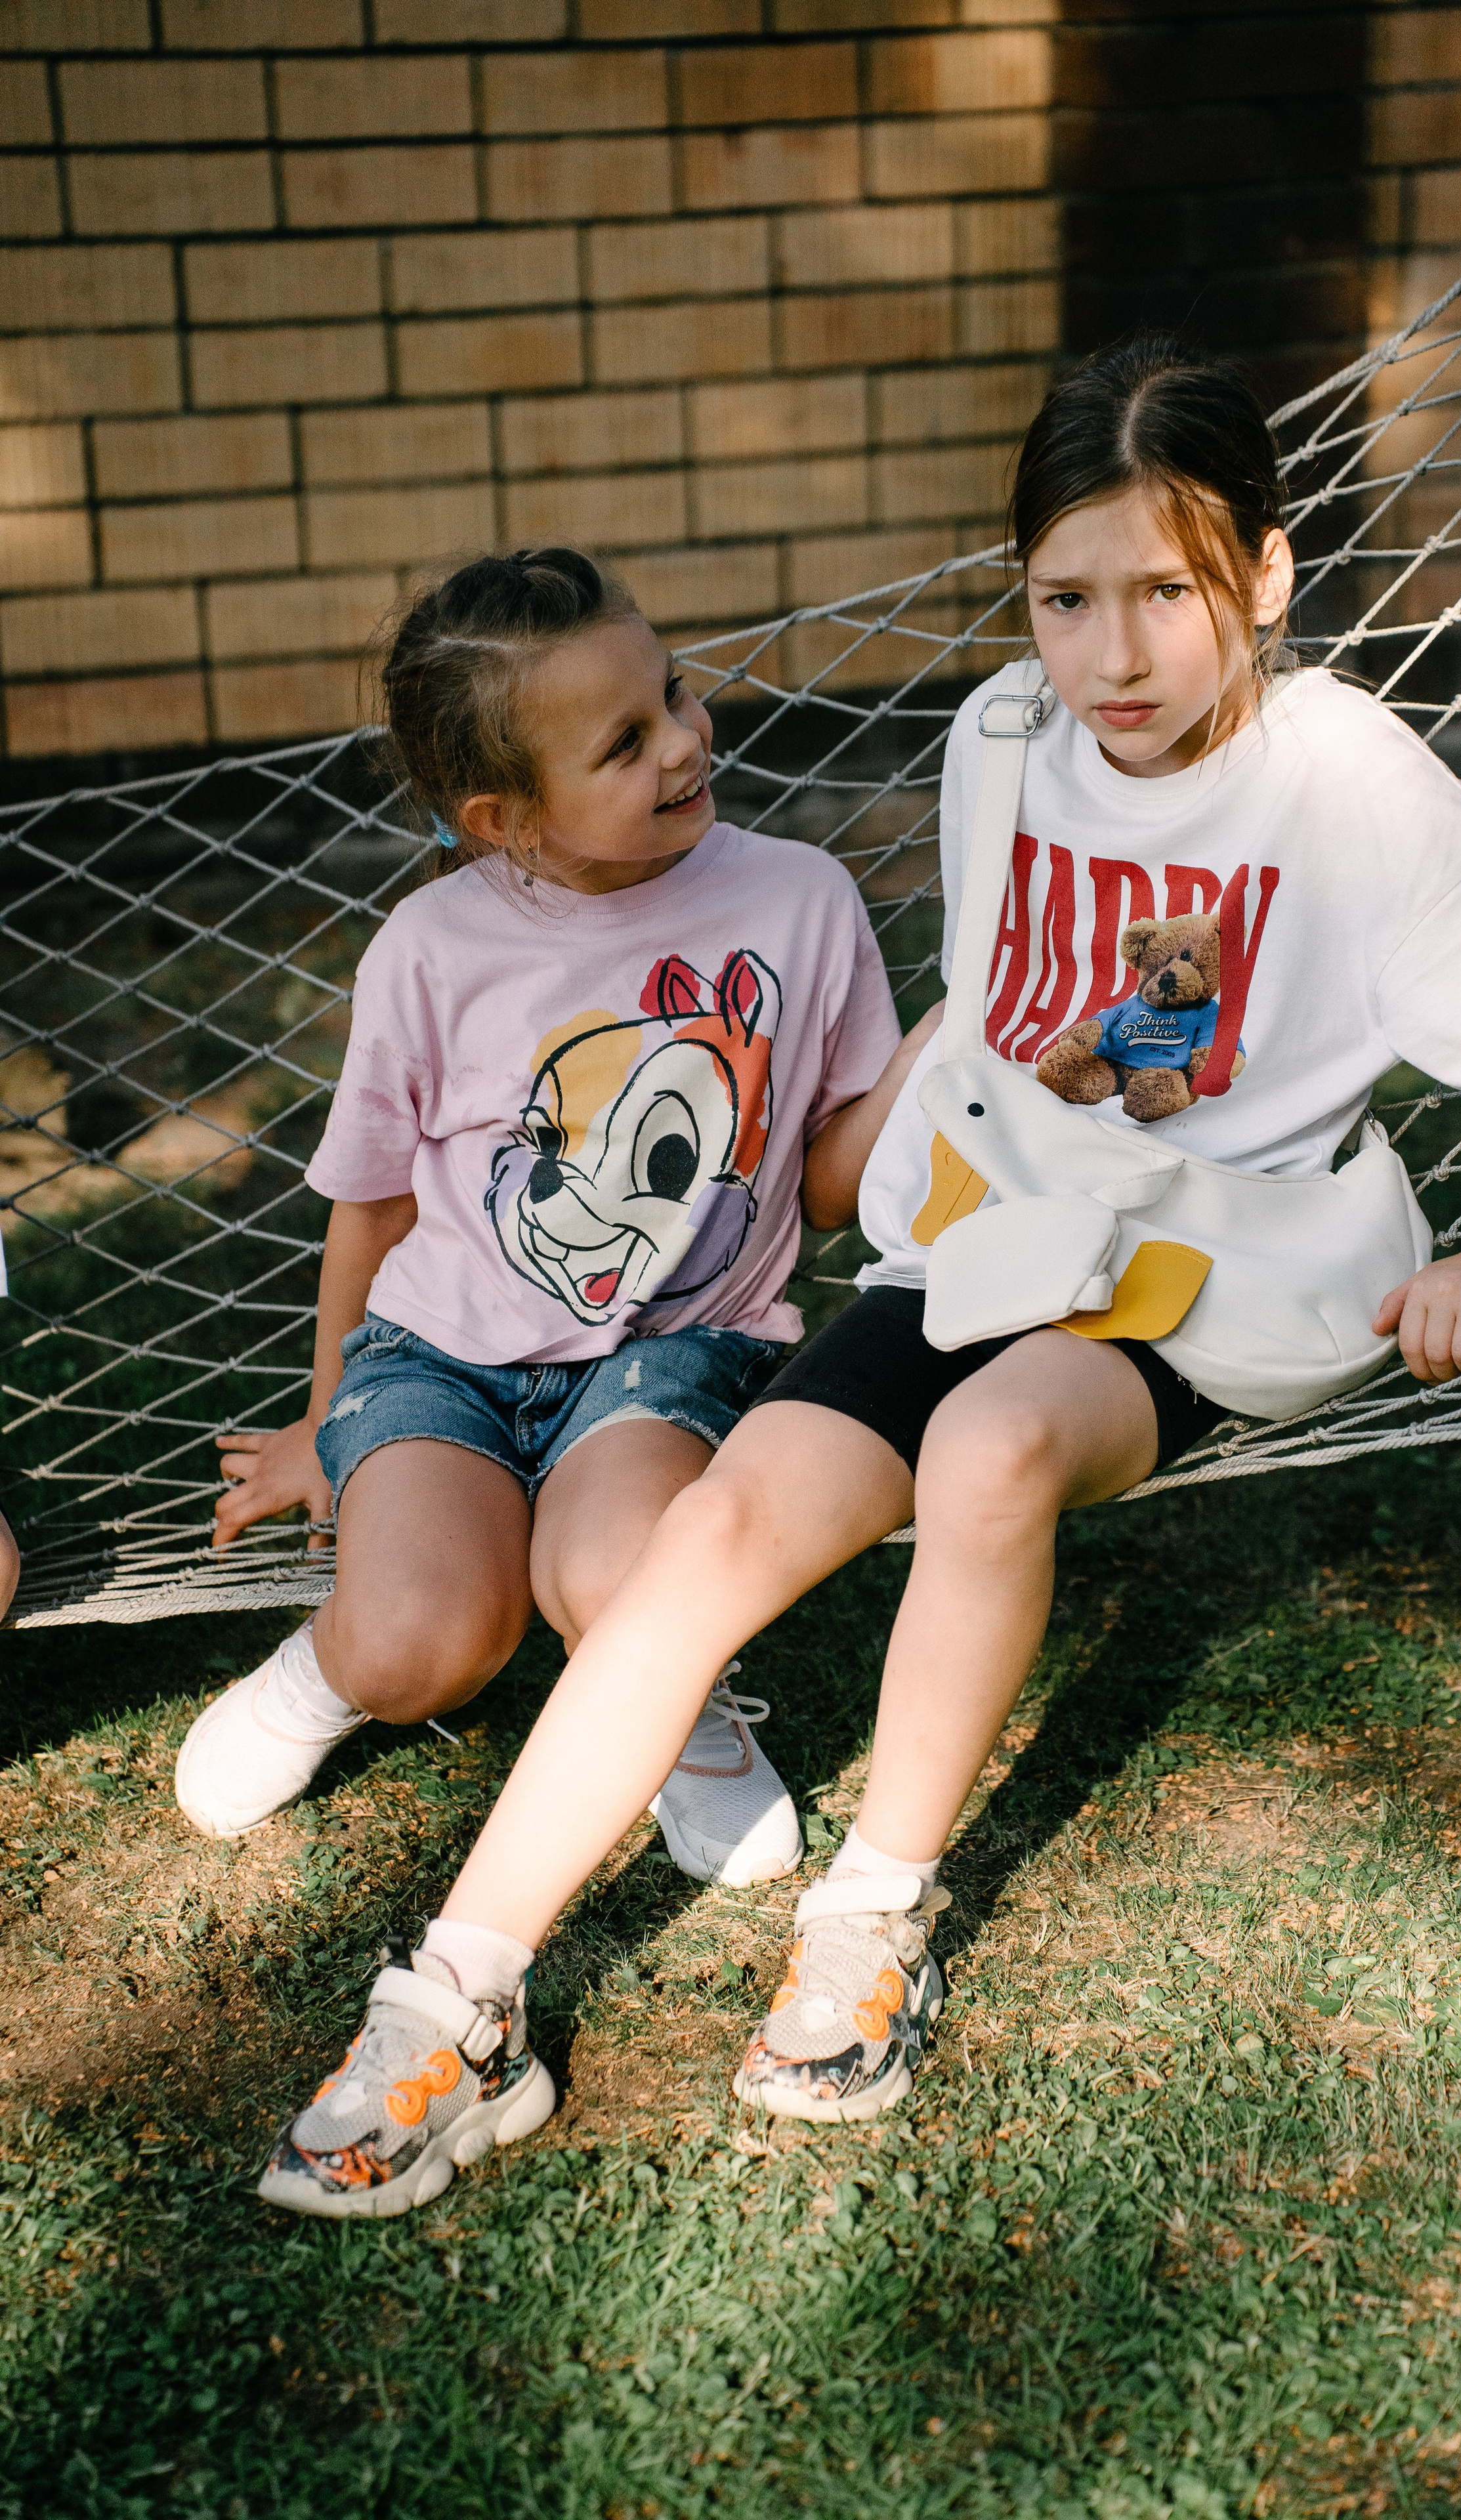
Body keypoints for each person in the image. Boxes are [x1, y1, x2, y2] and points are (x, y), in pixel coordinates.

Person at [255, 338, 1461, 2219]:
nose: (1112, 654)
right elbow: (1019, 1004)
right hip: (1002, 1227)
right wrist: (981, 1087)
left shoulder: (1342, 775)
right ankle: (458, 1995)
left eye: (1165, 592)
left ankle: (869, 1920)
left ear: (1264, 575)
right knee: (723, 1521)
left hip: (1210, 1264)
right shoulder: (1002, 736)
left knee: (992, 1447)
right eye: (1063, 598)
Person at [176, 545, 918, 1903]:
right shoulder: (428, 948)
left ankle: (675, 1695)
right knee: (420, 1646)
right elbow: (373, 1207)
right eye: (624, 743)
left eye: (673, 694)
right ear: (504, 817)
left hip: (674, 1355)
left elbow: (825, 1189)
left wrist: (932, 1051)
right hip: (439, 1359)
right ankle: (327, 1665)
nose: (683, 743)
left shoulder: (799, 899)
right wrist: (326, 1419)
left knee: (623, 1579)